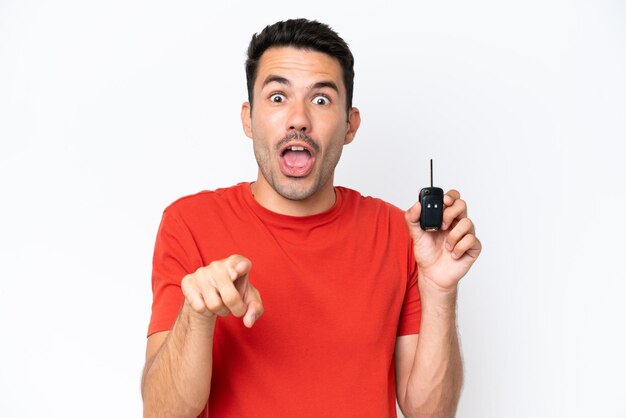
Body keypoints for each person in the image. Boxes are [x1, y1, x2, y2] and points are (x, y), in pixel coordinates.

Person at [141, 18, 481, 418]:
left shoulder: (397, 232)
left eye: (321, 100)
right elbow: (162, 413)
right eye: (277, 97)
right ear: (248, 119)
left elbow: (431, 413)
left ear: (350, 124)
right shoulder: (189, 224)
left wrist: (440, 289)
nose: (298, 118)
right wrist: (196, 316)